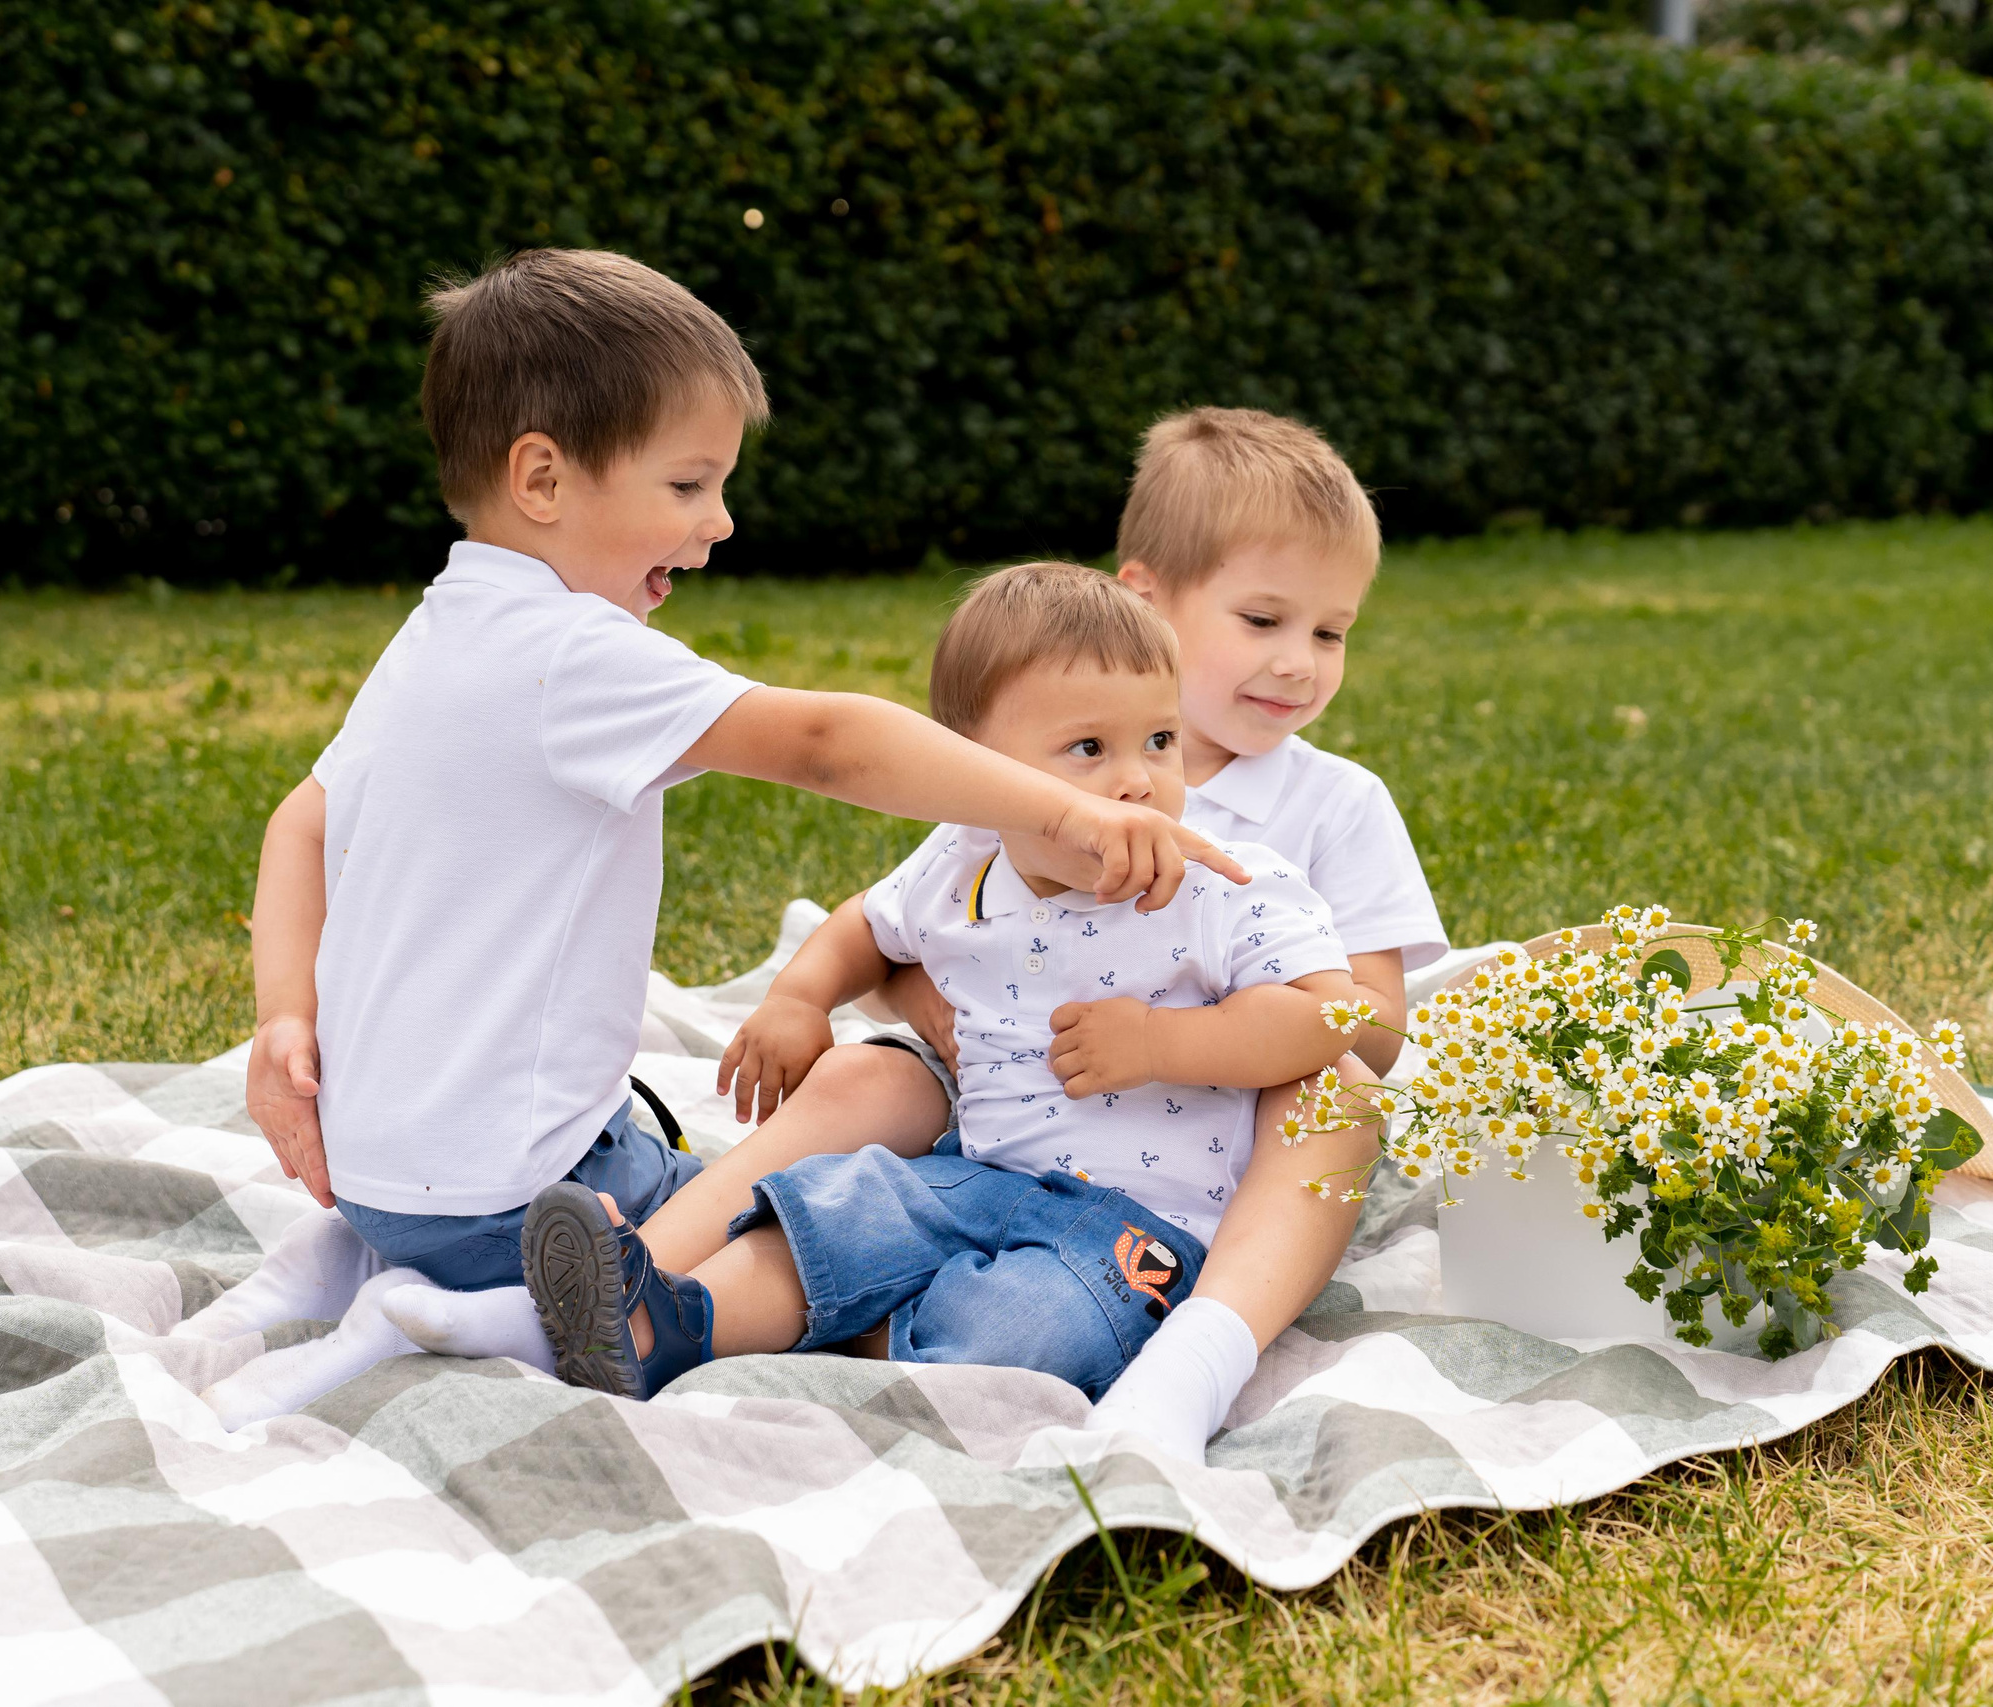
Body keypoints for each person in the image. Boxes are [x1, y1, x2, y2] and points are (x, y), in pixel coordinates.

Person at [183, 250, 1242, 1428]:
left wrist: (285, 1016)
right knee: (865, 1161)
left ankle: (366, 1264)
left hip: (385, 1182)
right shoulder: (570, 654)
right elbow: (828, 741)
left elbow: (299, 820)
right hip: (518, 1198)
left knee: (799, 1123)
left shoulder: (438, 634)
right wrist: (1060, 808)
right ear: (542, 476)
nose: (718, 522)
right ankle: (518, 1321)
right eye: (688, 486)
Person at [520, 564, 1389, 1444]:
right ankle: (666, 1320)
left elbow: (1332, 1016)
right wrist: (800, 995)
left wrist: (1168, 1043)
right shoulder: (964, 865)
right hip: (972, 1175)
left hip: (1136, 1229)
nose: (1138, 781)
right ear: (975, 773)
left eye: (1161, 740)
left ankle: (865, 1329)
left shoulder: (1222, 882)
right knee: (837, 1212)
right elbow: (865, 924)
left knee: (1024, 1329)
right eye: (1090, 749)